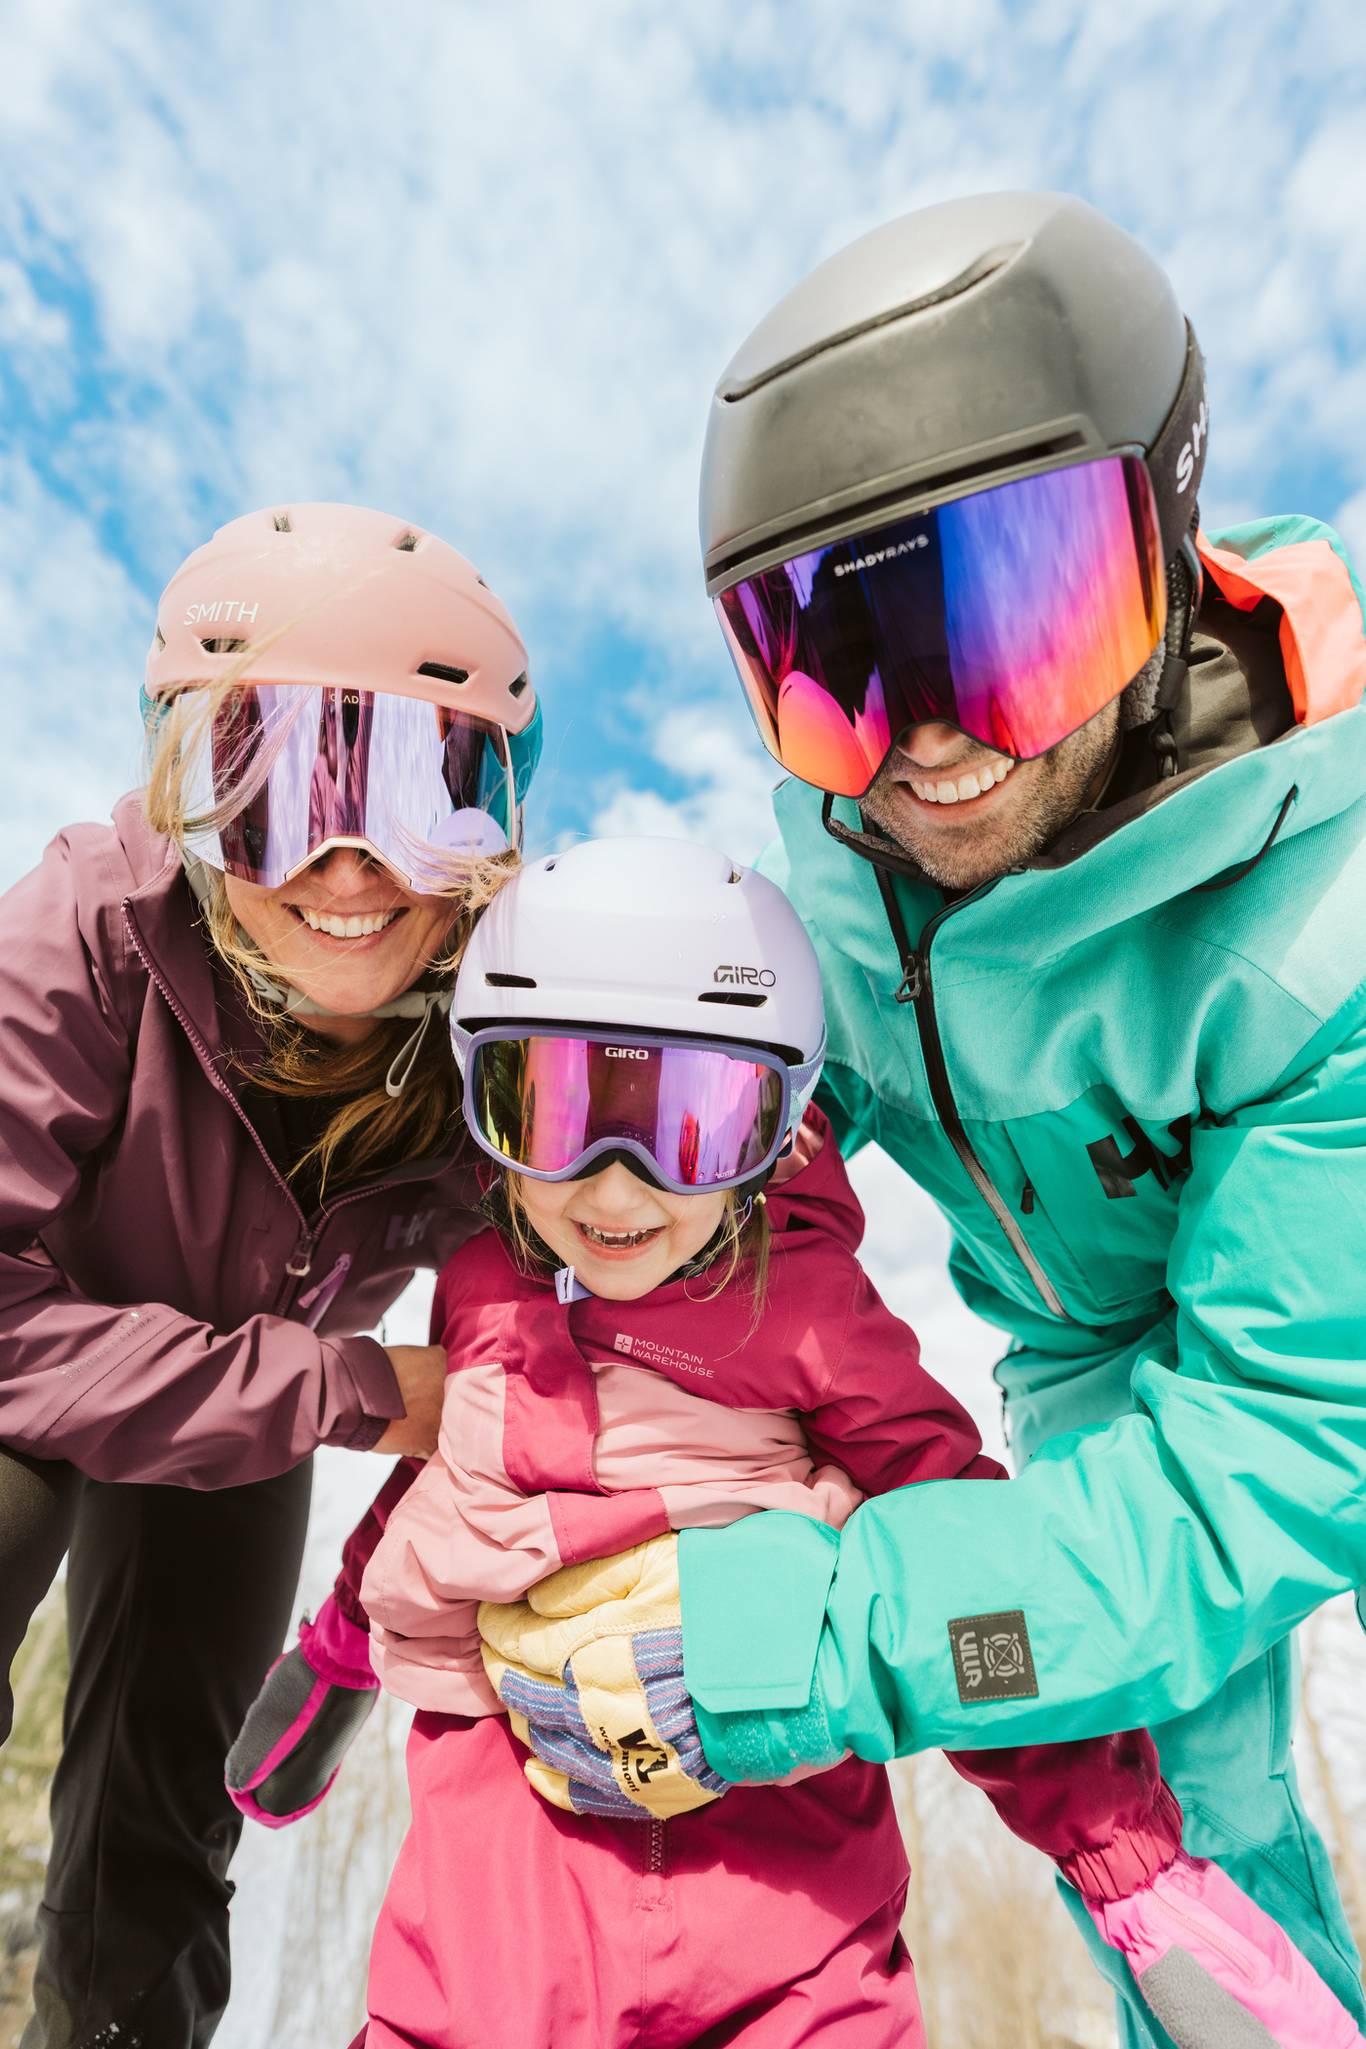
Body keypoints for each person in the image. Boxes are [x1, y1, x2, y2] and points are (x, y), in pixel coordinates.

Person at [468, 193, 1366, 2046]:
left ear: (1168, 546)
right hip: (1097, 1358)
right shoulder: (859, 862)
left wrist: (818, 1628)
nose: (930, 744)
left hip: (1291, 1376)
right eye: (834, 655)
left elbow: (1265, 1458)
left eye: (1015, 619)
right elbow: (758, 1143)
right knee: (1180, 1785)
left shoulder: (1329, 931)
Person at [276, 836, 1348, 2049]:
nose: (615, 1193)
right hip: (494, 1905)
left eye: (691, 1127)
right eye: (561, 1108)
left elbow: (974, 1578)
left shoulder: (809, 1324)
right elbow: (442, 1491)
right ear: (487, 1108)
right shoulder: (484, 1288)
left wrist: (1126, 1862)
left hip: (783, 1917)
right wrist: (333, 1658)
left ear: (776, 1128)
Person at [0, 500, 541, 2049]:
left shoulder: (492, 1027)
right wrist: (358, 1387)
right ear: (187, 792)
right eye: (277, 788)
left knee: (166, 1824)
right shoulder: (90, 927)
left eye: (423, 796)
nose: (349, 867)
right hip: (36, 1376)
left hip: (233, 1433)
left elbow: (569, 1298)